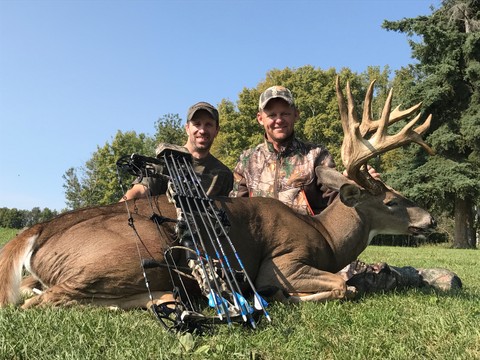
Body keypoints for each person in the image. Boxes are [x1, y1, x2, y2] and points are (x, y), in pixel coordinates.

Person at [229, 85, 339, 215]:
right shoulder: (247, 160)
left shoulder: (316, 155)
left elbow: (338, 201)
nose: (279, 120)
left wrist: (358, 184)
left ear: (296, 114)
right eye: (272, 115)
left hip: (305, 235)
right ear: (260, 119)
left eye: (285, 114)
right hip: (260, 235)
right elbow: (235, 210)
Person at [121, 101, 233, 201]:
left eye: (208, 124)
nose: (202, 130)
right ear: (187, 128)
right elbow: (138, 192)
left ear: (216, 131)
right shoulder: (164, 161)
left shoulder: (224, 174)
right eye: (197, 124)